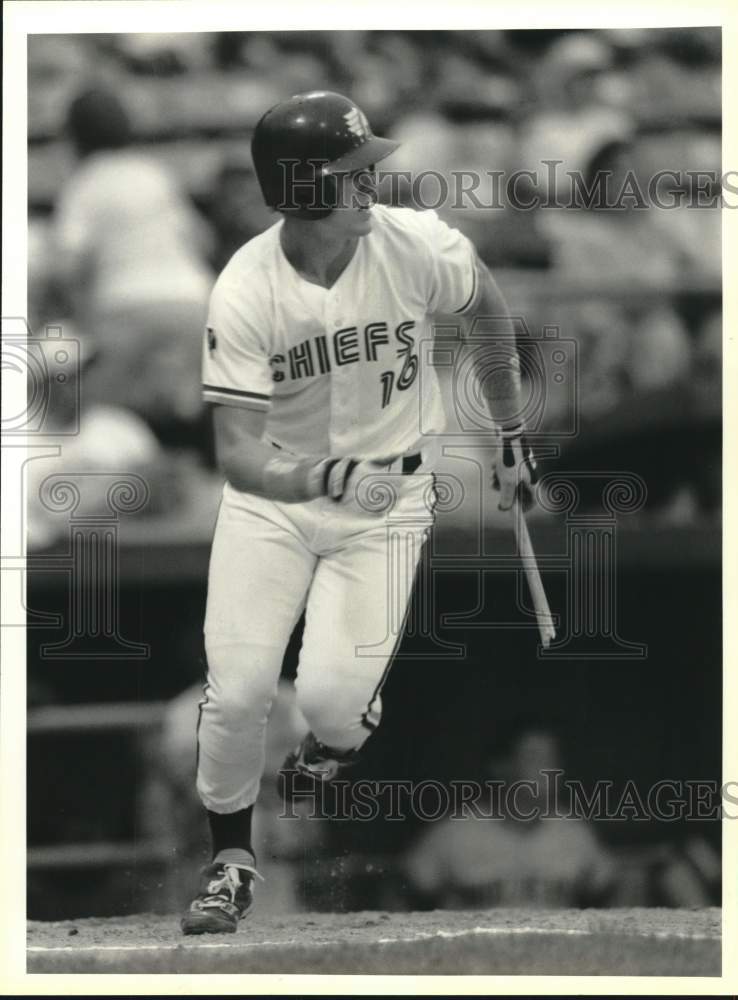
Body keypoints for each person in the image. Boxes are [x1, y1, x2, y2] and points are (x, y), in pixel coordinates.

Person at [181, 90, 538, 935]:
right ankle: (232, 863)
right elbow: (235, 452)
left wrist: (510, 428)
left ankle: (330, 748)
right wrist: (323, 475)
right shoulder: (244, 287)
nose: (371, 183)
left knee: (335, 707)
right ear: (303, 189)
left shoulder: (412, 243)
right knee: (235, 697)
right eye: (351, 173)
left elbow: (484, 305)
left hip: (389, 501)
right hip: (275, 503)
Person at [404, 725, 616, 910]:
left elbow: (611, 891)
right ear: (501, 767)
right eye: (535, 758)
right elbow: (402, 894)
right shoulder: (454, 832)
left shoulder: (575, 833)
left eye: (553, 759)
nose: (548, 769)